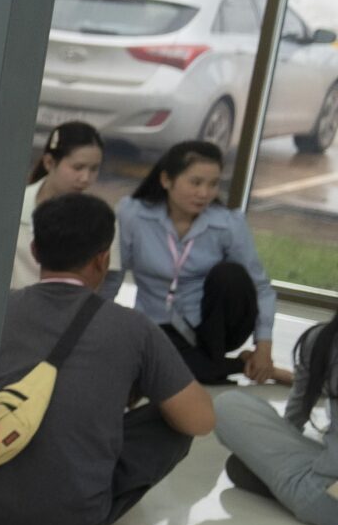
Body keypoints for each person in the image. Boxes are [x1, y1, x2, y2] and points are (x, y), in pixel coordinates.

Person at [0, 193, 214, 525]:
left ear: (35, 251)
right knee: (172, 426)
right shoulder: (133, 327)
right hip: (69, 522)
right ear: (103, 259)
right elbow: (200, 421)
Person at [113, 140, 282, 387]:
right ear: (166, 180)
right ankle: (236, 365)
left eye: (213, 184)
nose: (204, 193)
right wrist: (95, 323)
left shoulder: (228, 224)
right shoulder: (132, 216)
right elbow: (113, 274)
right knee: (155, 367)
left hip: (215, 326)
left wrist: (264, 346)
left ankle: (219, 361)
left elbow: (261, 288)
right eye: (195, 182)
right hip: (157, 322)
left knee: (230, 274)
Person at [218, 320, 338, 525]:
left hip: (324, 496)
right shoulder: (322, 340)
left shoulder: (323, 339)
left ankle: (271, 476)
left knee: (226, 404)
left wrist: (279, 446)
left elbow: (297, 410)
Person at [14, 121, 110, 288]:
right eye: (78, 167)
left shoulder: (101, 218)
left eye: (94, 169)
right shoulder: (14, 206)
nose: (86, 178)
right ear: (49, 162)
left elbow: (110, 281)